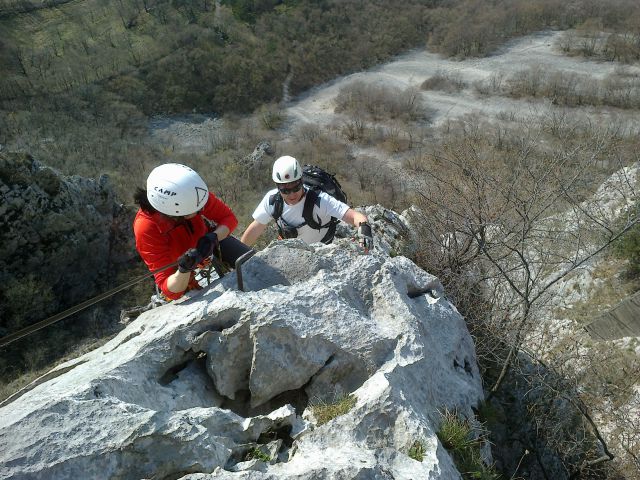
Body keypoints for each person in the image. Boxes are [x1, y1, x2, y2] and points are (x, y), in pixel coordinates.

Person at [133, 163, 250, 300]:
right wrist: (184, 269)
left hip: (207, 244)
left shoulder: (191, 195)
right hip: (179, 274)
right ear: (173, 212)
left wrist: (214, 237)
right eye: (193, 211)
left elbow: (229, 219)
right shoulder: (146, 228)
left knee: (250, 261)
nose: (200, 211)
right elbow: (169, 288)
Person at [240, 155, 373, 250]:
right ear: (277, 186)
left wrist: (364, 231)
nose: (291, 194)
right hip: (291, 250)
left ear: (301, 181)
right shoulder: (272, 200)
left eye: (296, 188)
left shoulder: (320, 200)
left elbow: (355, 216)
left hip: (320, 251)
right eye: (285, 190)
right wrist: (238, 255)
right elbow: (255, 228)